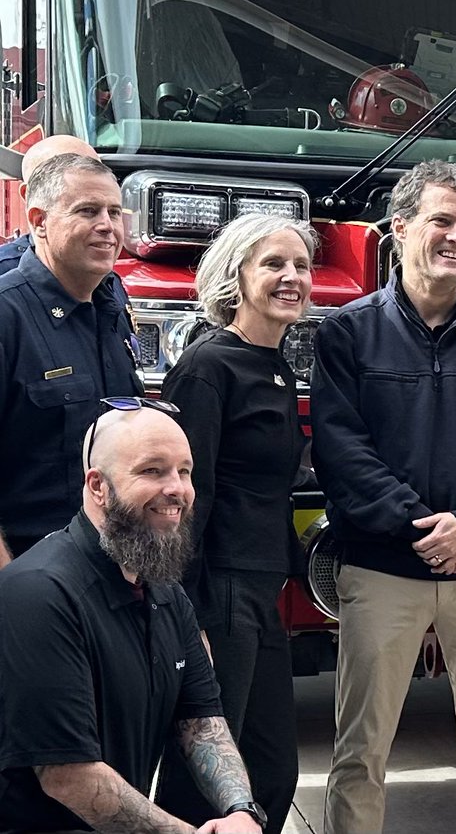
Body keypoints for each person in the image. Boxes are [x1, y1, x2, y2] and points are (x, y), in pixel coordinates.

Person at [312, 159, 456, 834]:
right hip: (383, 570)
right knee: (360, 754)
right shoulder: (347, 334)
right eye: (442, 220)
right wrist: (422, 528)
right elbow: (342, 450)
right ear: (401, 227)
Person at [0, 404, 267, 833]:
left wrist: (240, 810)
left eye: (185, 471)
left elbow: (200, 721)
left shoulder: (162, 590)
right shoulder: (39, 593)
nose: (177, 488)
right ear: (98, 486)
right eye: (152, 471)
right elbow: (69, 778)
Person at [153, 215, 316, 834]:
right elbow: (182, 503)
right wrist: (187, 617)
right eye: (273, 264)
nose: (291, 277)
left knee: (272, 772)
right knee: (206, 780)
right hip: (218, 594)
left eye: (300, 266)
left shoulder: (275, 366)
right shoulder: (208, 368)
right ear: (236, 276)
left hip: (261, 592)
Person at [0, 153, 141, 567]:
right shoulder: (7, 316)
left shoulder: (113, 313)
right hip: (29, 569)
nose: (108, 226)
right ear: (39, 221)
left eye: (115, 212)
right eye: (88, 211)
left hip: (110, 568)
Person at [0, 135, 106, 276]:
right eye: (71, 177)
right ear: (29, 194)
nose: (106, 225)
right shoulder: (4, 273)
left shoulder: (109, 276)